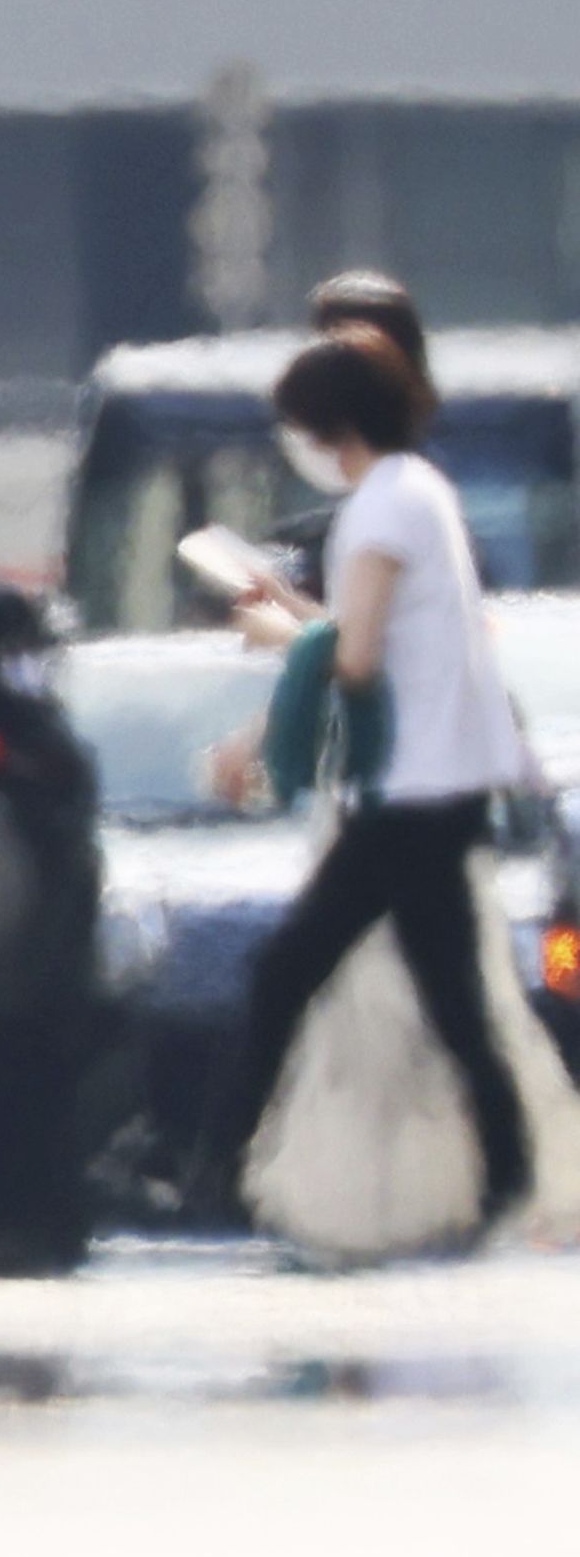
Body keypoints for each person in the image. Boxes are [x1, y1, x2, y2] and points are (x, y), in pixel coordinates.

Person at [205, 332, 539, 1234]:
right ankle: (508, 1173)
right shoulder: (419, 492)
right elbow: (370, 636)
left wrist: (279, 635)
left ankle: (219, 1170)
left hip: (410, 792)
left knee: (289, 972)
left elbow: (353, 659)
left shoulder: (382, 509)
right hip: (436, 789)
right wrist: (299, 621)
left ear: (330, 424)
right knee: (451, 999)